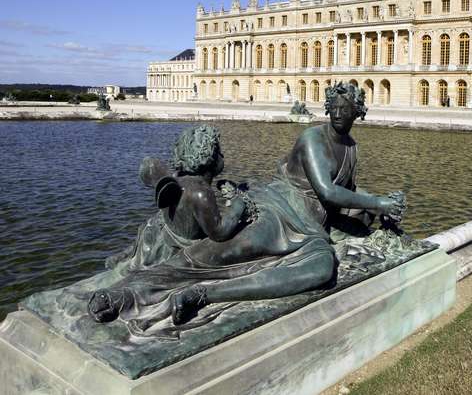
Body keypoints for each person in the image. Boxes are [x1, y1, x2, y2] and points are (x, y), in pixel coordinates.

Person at [88, 82, 403, 330]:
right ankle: (122, 294)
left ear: (357, 112)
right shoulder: (313, 138)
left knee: (322, 269)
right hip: (278, 209)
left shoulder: (351, 146)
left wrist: (379, 205)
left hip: (310, 231)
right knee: (214, 254)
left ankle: (204, 294)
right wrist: (378, 202)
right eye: (333, 107)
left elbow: (346, 191)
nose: (337, 114)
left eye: (344, 109)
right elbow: (327, 191)